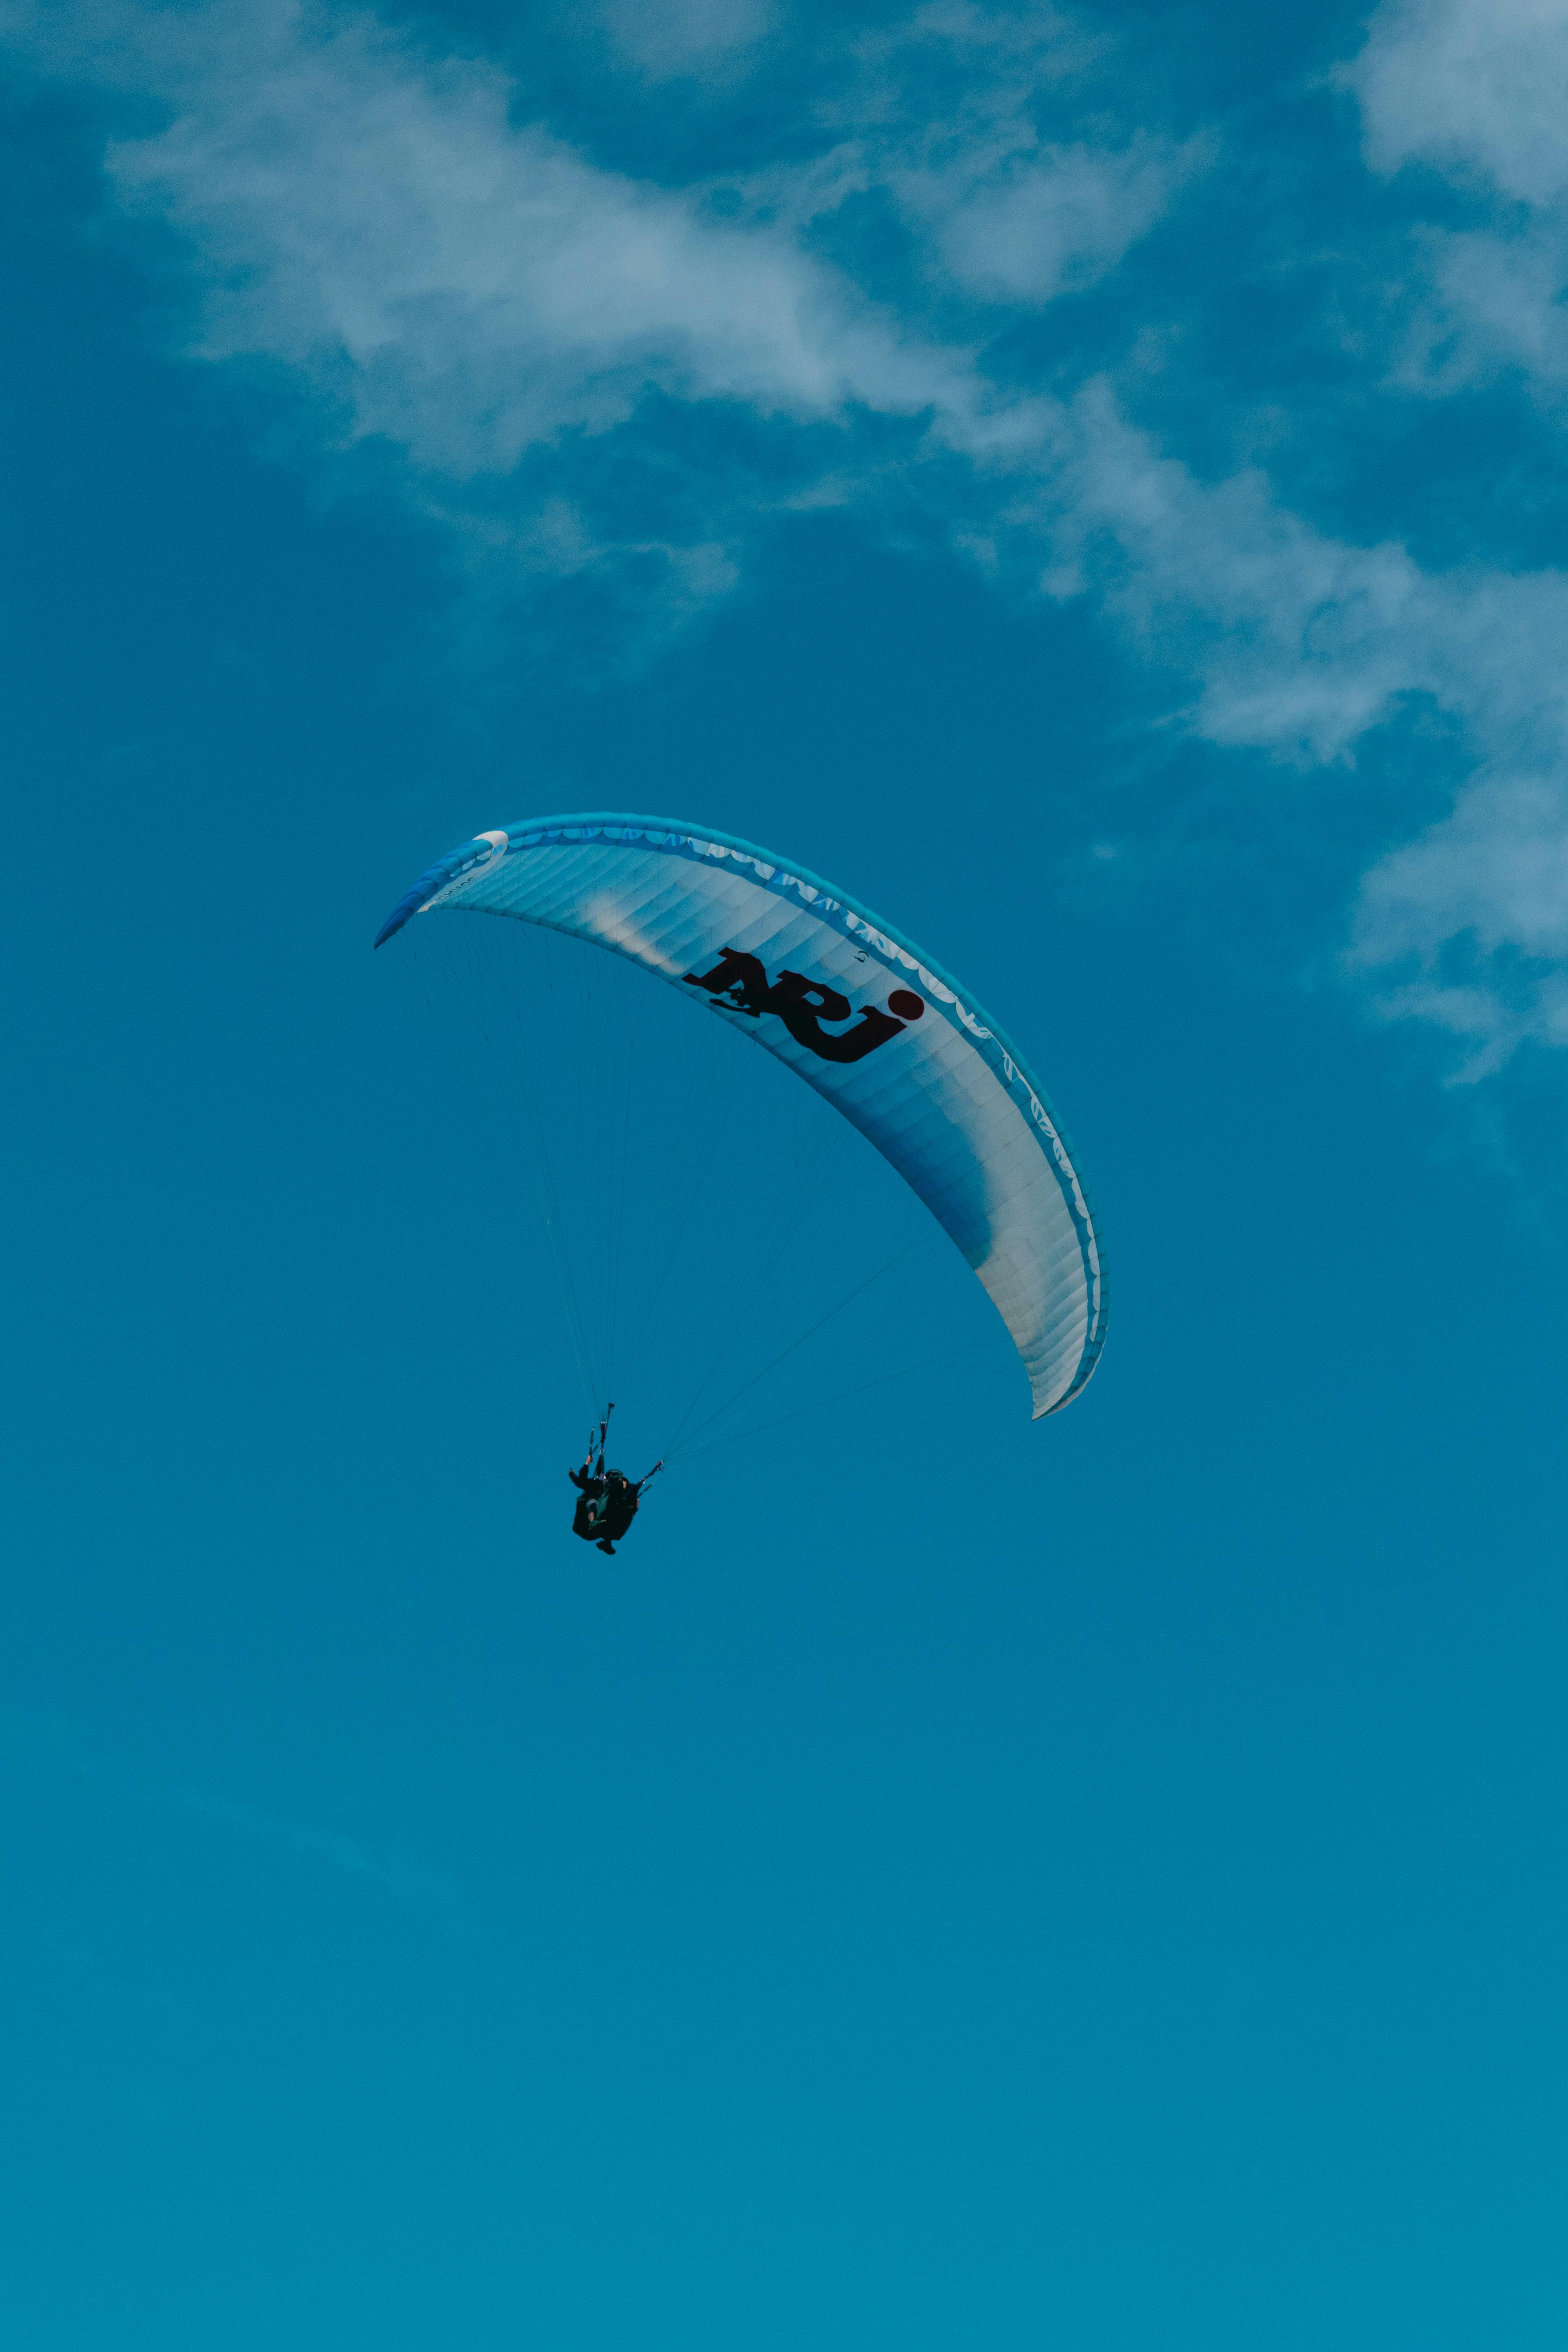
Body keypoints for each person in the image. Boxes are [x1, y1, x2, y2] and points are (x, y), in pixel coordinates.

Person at [568, 1411, 661, 1554]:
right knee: (592, 1501)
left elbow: (618, 1512)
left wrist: (634, 1508)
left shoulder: (619, 1491)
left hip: (603, 1530)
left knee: (609, 1511)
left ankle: (605, 1541)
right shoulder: (599, 1486)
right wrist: (586, 1465)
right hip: (583, 1526)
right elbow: (581, 1482)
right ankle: (594, 1523)